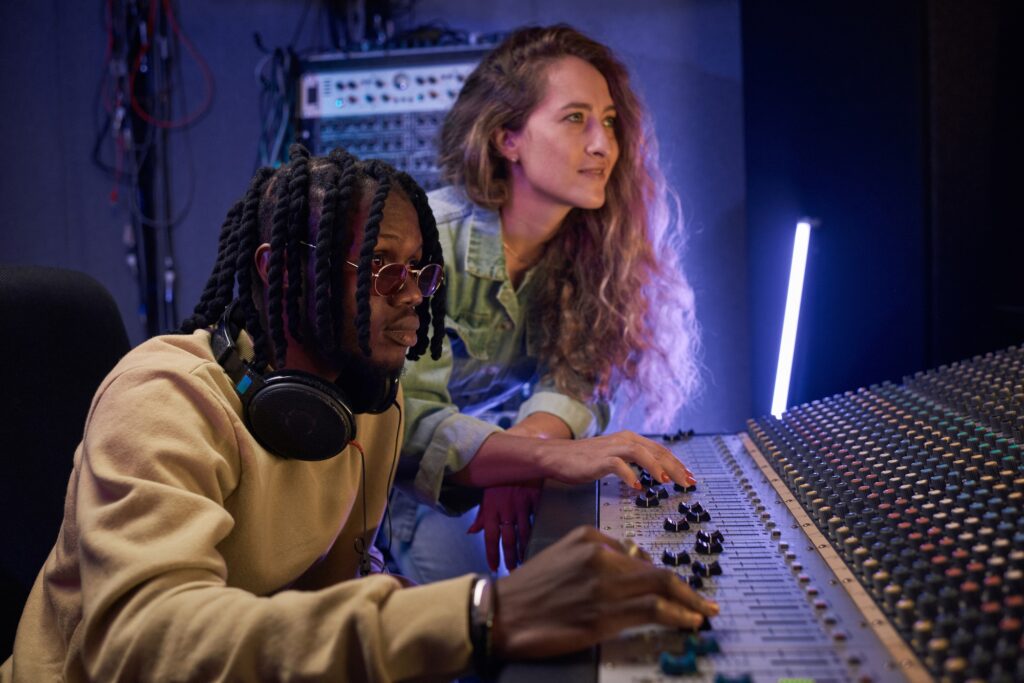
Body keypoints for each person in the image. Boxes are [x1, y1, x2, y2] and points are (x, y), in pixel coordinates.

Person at [0, 144, 716, 683]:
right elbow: (144, 642)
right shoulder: (165, 395)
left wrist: (406, 607)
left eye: (421, 271)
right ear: (280, 271)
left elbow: (337, 578)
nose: (413, 296)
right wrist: (474, 612)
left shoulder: (368, 392)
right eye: (382, 269)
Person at [384, 24, 702, 583]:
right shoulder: (428, 237)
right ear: (508, 139)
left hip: (502, 456)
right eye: (575, 118)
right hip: (401, 496)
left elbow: (574, 383)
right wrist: (529, 459)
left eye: (607, 120)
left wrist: (523, 457)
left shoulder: (593, 250)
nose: (604, 143)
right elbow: (408, 422)